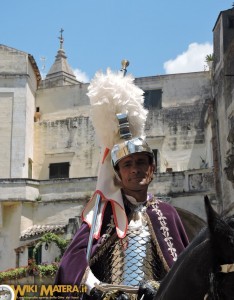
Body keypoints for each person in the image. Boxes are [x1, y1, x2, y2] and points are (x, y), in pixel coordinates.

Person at [55, 137, 189, 299]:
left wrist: (159, 286)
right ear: (118, 173)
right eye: (127, 164)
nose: (134, 169)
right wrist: (97, 289)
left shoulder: (167, 213)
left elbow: (183, 268)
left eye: (140, 162)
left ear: (151, 168)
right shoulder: (102, 213)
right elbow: (73, 260)